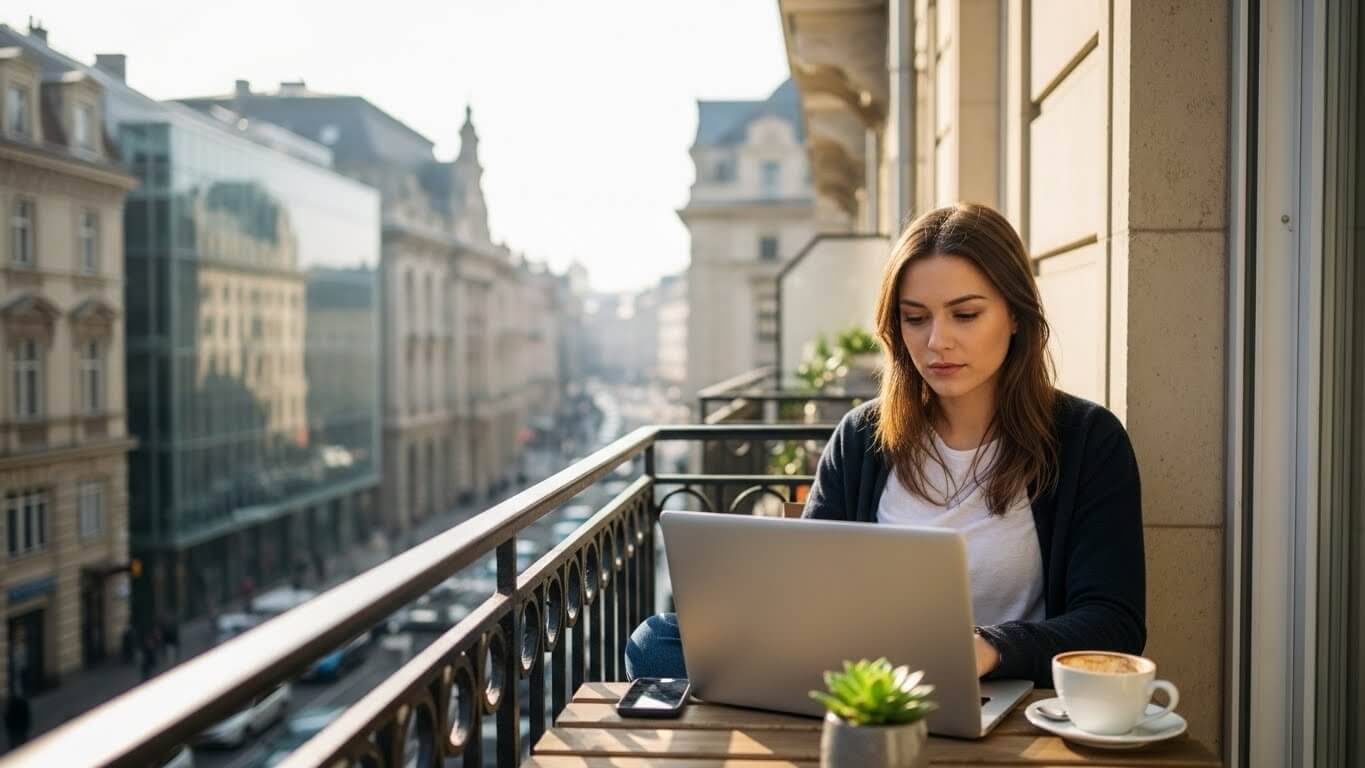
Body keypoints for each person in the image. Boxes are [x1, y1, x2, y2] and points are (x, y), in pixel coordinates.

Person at [624, 203, 1146, 688]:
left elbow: (1113, 622)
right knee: (655, 644)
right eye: (915, 317)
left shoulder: (1086, 440)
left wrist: (989, 649)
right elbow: (813, 591)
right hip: (871, 680)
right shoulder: (861, 438)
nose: (936, 340)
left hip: (1001, 686)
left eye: (964, 315)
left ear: (1015, 316)